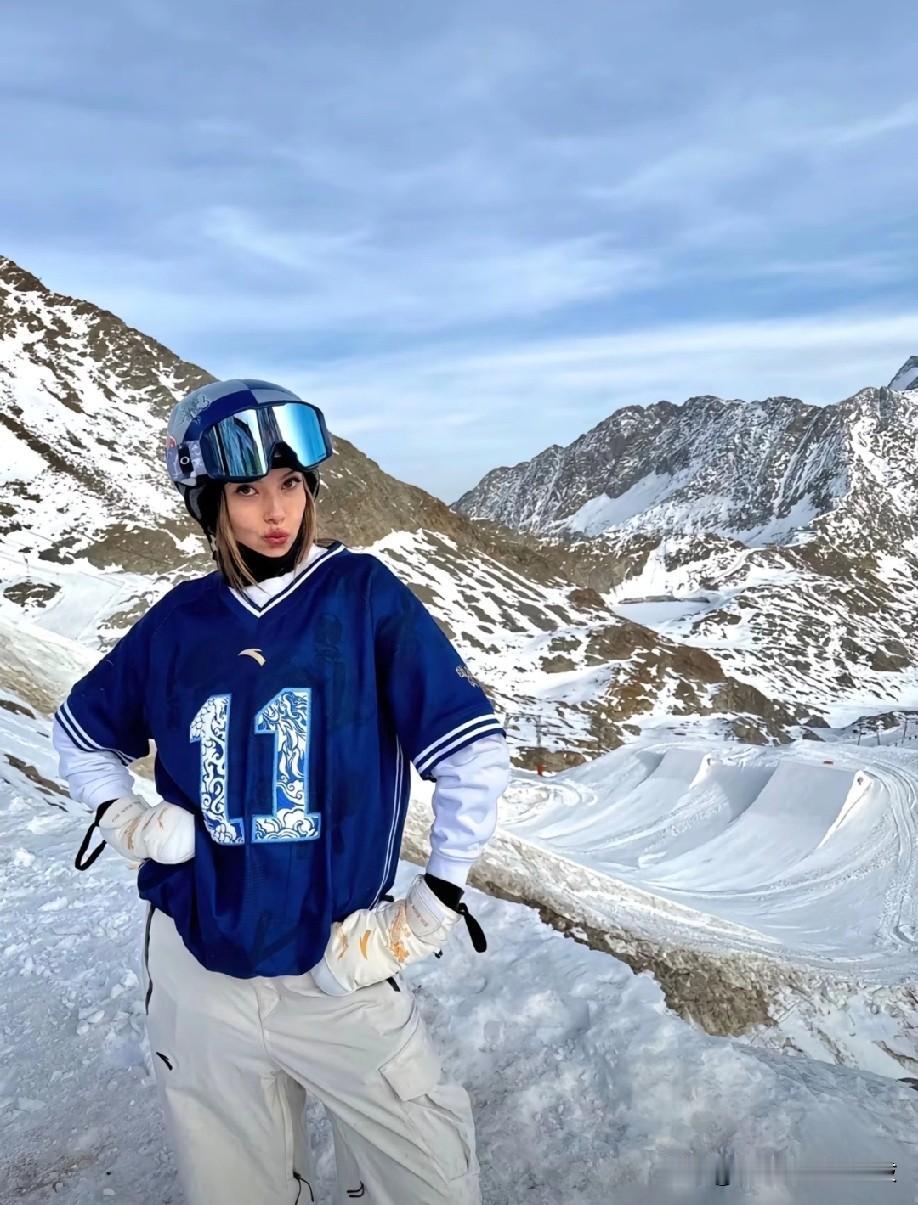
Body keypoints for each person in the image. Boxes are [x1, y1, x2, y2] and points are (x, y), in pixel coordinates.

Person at [52, 379, 511, 1205]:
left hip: (338, 965)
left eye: (291, 482)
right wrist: (125, 817)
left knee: (432, 1181)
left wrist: (431, 905)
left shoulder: (362, 596)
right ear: (210, 504)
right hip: (198, 971)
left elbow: (472, 748)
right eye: (246, 490)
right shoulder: (178, 623)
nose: (276, 510)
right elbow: (80, 733)